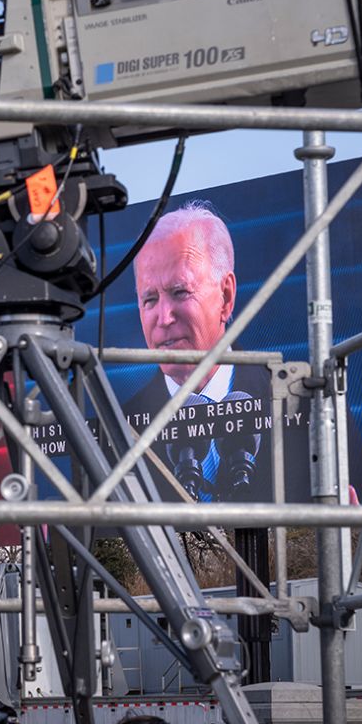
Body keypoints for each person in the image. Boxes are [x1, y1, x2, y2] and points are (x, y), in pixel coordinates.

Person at [124, 204, 273, 502]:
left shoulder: (303, 406)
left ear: (226, 297)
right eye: (149, 299)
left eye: (180, 292)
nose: (164, 317)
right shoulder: (116, 435)